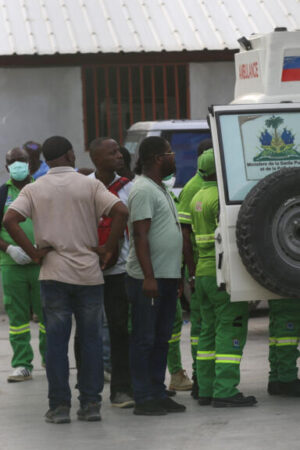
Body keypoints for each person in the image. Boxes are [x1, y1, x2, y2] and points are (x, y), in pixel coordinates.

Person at [3, 136, 128, 424]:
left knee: (57, 345)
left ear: (46, 160)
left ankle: (59, 407)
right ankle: (91, 404)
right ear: (71, 155)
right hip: (88, 274)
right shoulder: (90, 184)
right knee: (91, 341)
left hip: (53, 273)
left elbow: (10, 219)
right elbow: (120, 211)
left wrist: (33, 252)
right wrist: (108, 247)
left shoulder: (35, 188)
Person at [187, 149, 257, 407]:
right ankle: (225, 390)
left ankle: (205, 389)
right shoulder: (221, 197)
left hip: (203, 274)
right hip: (222, 275)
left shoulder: (198, 195)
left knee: (208, 332)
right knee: (231, 329)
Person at [126, 136, 186, 416]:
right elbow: (140, 235)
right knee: (145, 339)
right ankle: (143, 397)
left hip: (167, 276)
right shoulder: (143, 190)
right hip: (148, 279)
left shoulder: (160, 188)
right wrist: (149, 277)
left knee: (162, 338)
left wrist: (176, 277)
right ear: (158, 158)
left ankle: (157, 392)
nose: (174, 158)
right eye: (170, 153)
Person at [87, 137, 134, 408]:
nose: (119, 156)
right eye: (112, 152)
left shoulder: (128, 187)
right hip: (87, 270)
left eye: (118, 151)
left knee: (119, 329)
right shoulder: (84, 187)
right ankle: (88, 391)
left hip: (119, 270)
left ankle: (121, 389)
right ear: (96, 159)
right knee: (87, 331)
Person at [0, 147, 46, 382]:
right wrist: (10, 248)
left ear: (30, 164)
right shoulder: (1, 194)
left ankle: (50, 359)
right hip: (12, 264)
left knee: (48, 313)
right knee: (17, 318)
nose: (17, 164)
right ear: (7, 167)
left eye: (22, 160)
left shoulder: (42, 189)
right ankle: (22, 364)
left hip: (42, 262)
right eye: (12, 161)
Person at [177, 138, 213, 398]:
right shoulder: (192, 188)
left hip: (212, 268)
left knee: (210, 327)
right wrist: (191, 272)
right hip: (202, 269)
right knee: (200, 328)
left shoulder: (216, 183)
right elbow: (185, 237)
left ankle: (207, 378)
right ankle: (201, 377)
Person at [268, 299, 300, 396]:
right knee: (287, 330)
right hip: (289, 295)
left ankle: (276, 379)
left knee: (278, 328)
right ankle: (287, 379)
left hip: (279, 291)